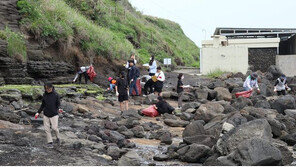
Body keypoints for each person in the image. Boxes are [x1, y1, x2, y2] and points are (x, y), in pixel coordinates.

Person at [35, 82, 62, 149]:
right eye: (46, 88)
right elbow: (43, 105)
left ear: (52, 87)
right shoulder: (44, 95)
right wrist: (38, 112)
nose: (47, 89)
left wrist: (59, 109)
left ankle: (58, 138)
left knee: (54, 128)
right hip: (46, 114)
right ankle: (50, 142)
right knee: (47, 129)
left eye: (48, 88)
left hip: (54, 114)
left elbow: (58, 104)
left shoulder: (56, 95)